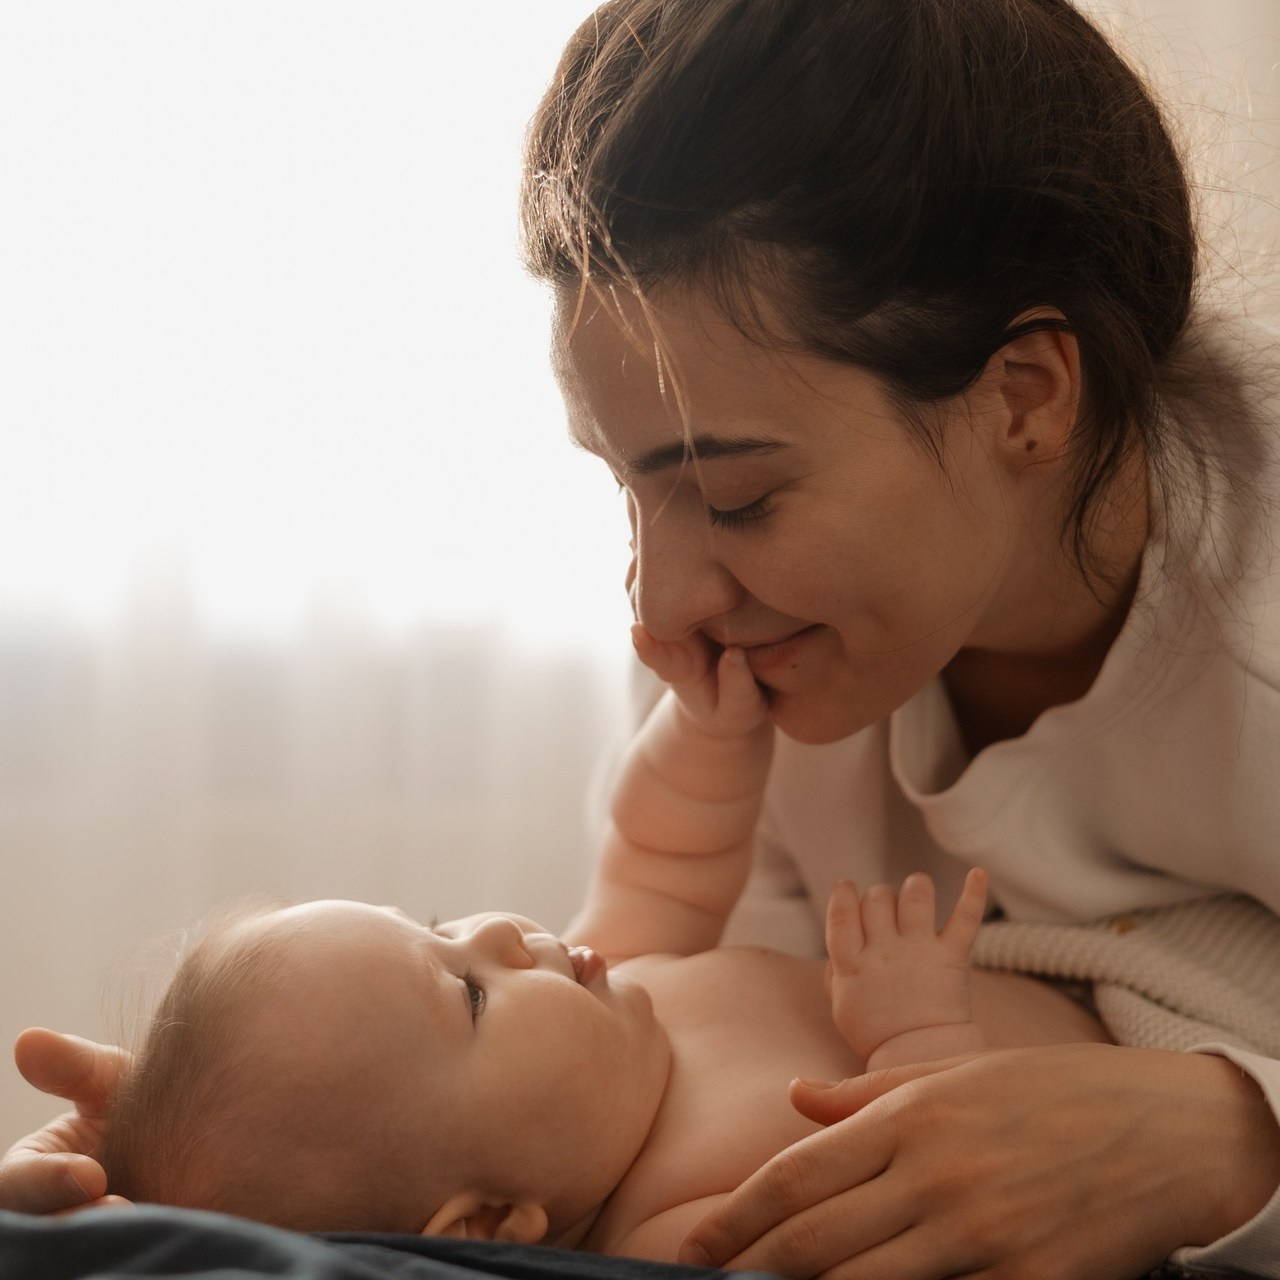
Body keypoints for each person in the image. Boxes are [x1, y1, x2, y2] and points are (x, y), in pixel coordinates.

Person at [4, 0, 1279, 1274]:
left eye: (735, 496)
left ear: (1024, 397)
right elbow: (672, 1046)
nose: (657, 605)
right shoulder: (751, 657)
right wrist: (239, 1165)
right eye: (626, 485)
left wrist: (1234, 1132)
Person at [24, 630, 1106, 1260]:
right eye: (468, 993)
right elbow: (947, 1196)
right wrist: (917, 1030)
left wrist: (708, 733)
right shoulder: (687, 1221)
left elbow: (660, 854)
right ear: (492, 1220)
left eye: (441, 924)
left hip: (1092, 958)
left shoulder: (612, 988)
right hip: (1108, 1077)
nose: (499, 929)